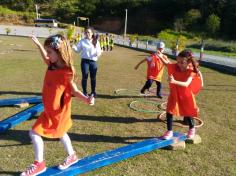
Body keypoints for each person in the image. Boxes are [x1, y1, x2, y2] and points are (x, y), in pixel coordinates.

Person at [20, 34, 94, 176]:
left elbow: (75, 91)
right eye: (47, 52)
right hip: (49, 111)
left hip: (59, 113)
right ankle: (71, 155)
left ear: (59, 53)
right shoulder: (52, 65)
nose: (47, 55)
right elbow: (45, 58)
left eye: (50, 52)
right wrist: (39, 46)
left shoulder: (66, 72)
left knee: (35, 133)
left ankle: (39, 164)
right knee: (61, 133)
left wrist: (86, 99)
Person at [157, 49, 203, 140]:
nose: (179, 64)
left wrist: (174, 81)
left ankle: (192, 129)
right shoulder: (175, 67)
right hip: (174, 94)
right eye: (178, 61)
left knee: (188, 112)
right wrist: (160, 56)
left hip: (186, 95)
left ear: (188, 62)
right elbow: (167, 64)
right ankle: (169, 131)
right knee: (169, 111)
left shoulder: (191, 72)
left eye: (182, 62)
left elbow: (186, 84)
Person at [73, 27, 102, 97]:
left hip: (93, 62)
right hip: (85, 62)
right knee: (84, 77)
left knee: (93, 77)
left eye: (89, 32)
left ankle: (93, 92)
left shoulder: (96, 41)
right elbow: (78, 50)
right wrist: (73, 47)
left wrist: (97, 51)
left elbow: (99, 52)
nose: (87, 34)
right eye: (86, 32)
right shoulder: (82, 41)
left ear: (92, 33)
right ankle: (84, 92)